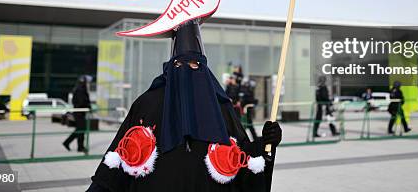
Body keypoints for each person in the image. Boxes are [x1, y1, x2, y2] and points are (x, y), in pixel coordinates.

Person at [88, 20, 282, 192]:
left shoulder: (220, 108)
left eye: (195, 65)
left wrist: (266, 143)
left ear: (205, 70)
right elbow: (116, 162)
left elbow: (242, 160)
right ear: (170, 67)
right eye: (180, 66)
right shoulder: (147, 103)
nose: (187, 71)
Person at [63, 75, 92, 153]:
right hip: (79, 112)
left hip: (80, 112)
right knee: (81, 130)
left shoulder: (79, 89)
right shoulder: (80, 90)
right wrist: (88, 106)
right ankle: (80, 147)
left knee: (80, 129)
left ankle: (68, 143)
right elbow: (81, 102)